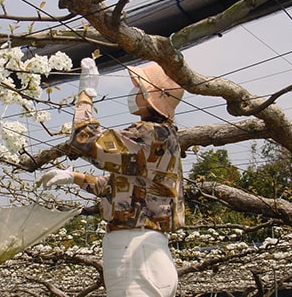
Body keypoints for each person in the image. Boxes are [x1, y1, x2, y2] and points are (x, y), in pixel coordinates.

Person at [36, 58, 185, 297]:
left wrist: (86, 92)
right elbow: (123, 191)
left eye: (139, 88)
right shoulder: (164, 137)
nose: (133, 92)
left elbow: (84, 139)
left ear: (152, 96)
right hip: (149, 252)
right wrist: (73, 176)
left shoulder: (147, 134)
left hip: (134, 253)